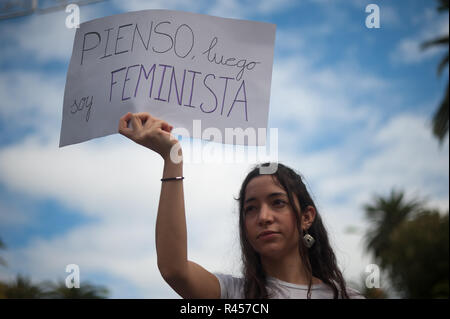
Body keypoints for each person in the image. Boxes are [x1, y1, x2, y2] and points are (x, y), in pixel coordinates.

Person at [118, 111, 363, 299]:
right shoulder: (233, 293)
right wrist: (172, 156)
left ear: (306, 217)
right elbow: (174, 270)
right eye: (251, 208)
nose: (264, 217)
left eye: (278, 203)